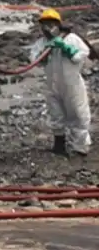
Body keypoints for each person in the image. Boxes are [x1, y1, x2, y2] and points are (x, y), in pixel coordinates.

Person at [31, 8, 91, 156]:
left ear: (58, 24)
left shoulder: (71, 39)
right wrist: (44, 53)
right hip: (52, 84)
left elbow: (83, 53)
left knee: (78, 114)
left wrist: (66, 48)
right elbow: (34, 60)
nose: (47, 27)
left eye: (50, 24)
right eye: (44, 24)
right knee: (55, 114)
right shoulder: (42, 43)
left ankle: (80, 147)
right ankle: (59, 145)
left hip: (72, 84)